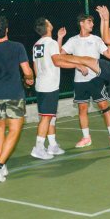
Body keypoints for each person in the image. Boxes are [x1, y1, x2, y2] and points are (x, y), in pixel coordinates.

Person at [55, 6, 110, 154]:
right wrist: (104, 19)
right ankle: (60, 57)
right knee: (88, 60)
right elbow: (107, 37)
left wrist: (106, 18)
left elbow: (106, 38)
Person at [0, 16, 34, 182]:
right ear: (6, 30)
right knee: (14, 129)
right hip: (14, 94)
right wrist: (29, 78)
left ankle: (2, 167)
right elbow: (26, 70)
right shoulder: (17, 47)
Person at [60, 13, 110, 150]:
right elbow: (60, 56)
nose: (92, 24)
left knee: (104, 107)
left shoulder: (97, 39)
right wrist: (76, 64)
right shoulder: (73, 40)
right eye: (89, 22)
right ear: (81, 23)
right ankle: (86, 138)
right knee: (82, 109)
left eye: (93, 22)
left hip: (96, 79)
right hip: (79, 81)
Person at [30, 18, 85, 160]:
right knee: (47, 117)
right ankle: (39, 147)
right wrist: (76, 65)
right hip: (49, 85)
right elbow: (58, 61)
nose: (50, 21)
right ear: (47, 27)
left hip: (41, 84)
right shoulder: (51, 43)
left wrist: (60, 38)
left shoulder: (37, 45)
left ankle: (52, 145)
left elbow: (37, 65)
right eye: (48, 21)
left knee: (50, 117)